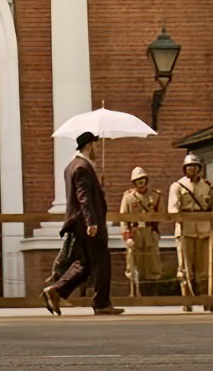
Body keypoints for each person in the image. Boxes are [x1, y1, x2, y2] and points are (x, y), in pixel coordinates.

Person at [42, 132, 120, 315]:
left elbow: (85, 194)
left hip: (78, 222)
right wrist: (91, 222)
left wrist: (98, 187)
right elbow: (83, 197)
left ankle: (56, 290)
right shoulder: (82, 167)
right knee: (102, 262)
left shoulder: (72, 166)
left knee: (83, 264)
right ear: (90, 145)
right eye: (97, 146)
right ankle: (101, 304)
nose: (98, 150)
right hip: (87, 223)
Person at [167, 155, 213, 312]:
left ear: (200, 168)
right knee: (185, 267)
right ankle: (187, 300)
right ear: (184, 169)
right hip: (185, 230)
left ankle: (207, 299)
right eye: (189, 166)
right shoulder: (177, 186)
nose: (192, 169)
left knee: (206, 268)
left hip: (205, 230)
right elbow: (172, 208)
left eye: (195, 166)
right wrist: (179, 217)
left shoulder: (207, 186)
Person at [117, 167, 160, 299]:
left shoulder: (156, 195)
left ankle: (152, 295)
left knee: (152, 264)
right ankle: (135, 294)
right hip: (135, 234)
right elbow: (123, 219)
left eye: (142, 180)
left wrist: (157, 232)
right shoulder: (128, 197)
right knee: (134, 266)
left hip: (149, 233)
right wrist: (127, 237)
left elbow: (162, 215)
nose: (141, 183)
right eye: (137, 181)